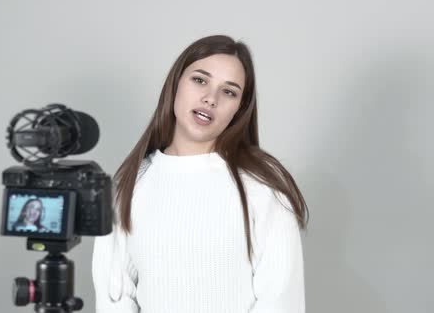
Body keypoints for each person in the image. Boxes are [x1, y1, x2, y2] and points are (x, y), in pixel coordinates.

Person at [91, 35, 309, 313]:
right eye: (200, 80)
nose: (210, 98)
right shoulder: (130, 183)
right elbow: (115, 298)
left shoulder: (262, 184)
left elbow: (280, 301)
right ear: (176, 84)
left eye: (229, 92)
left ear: (239, 109)